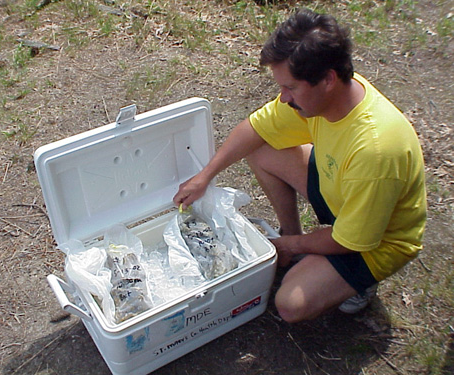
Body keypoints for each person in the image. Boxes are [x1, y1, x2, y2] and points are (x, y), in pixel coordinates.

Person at [173, 8, 426, 323]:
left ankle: (357, 284)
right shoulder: (328, 98)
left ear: (328, 79)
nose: (282, 98)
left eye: (290, 88)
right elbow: (256, 129)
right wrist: (204, 176)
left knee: (290, 303)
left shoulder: (375, 150)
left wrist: (288, 246)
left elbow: (349, 240)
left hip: (377, 237)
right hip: (342, 190)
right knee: (262, 148)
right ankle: (295, 238)